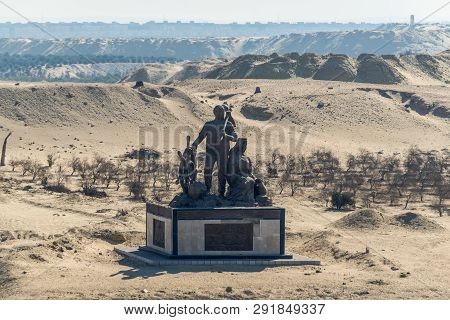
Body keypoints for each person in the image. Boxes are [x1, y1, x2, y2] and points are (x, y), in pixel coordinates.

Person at [191, 105, 237, 197]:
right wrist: (194, 144)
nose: (219, 113)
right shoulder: (208, 124)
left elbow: (235, 138)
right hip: (210, 151)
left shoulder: (228, 124)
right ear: (214, 112)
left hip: (223, 152)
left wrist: (226, 136)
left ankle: (221, 193)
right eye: (217, 111)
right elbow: (201, 136)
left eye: (221, 111)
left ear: (224, 112)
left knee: (222, 172)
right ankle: (208, 190)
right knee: (207, 170)